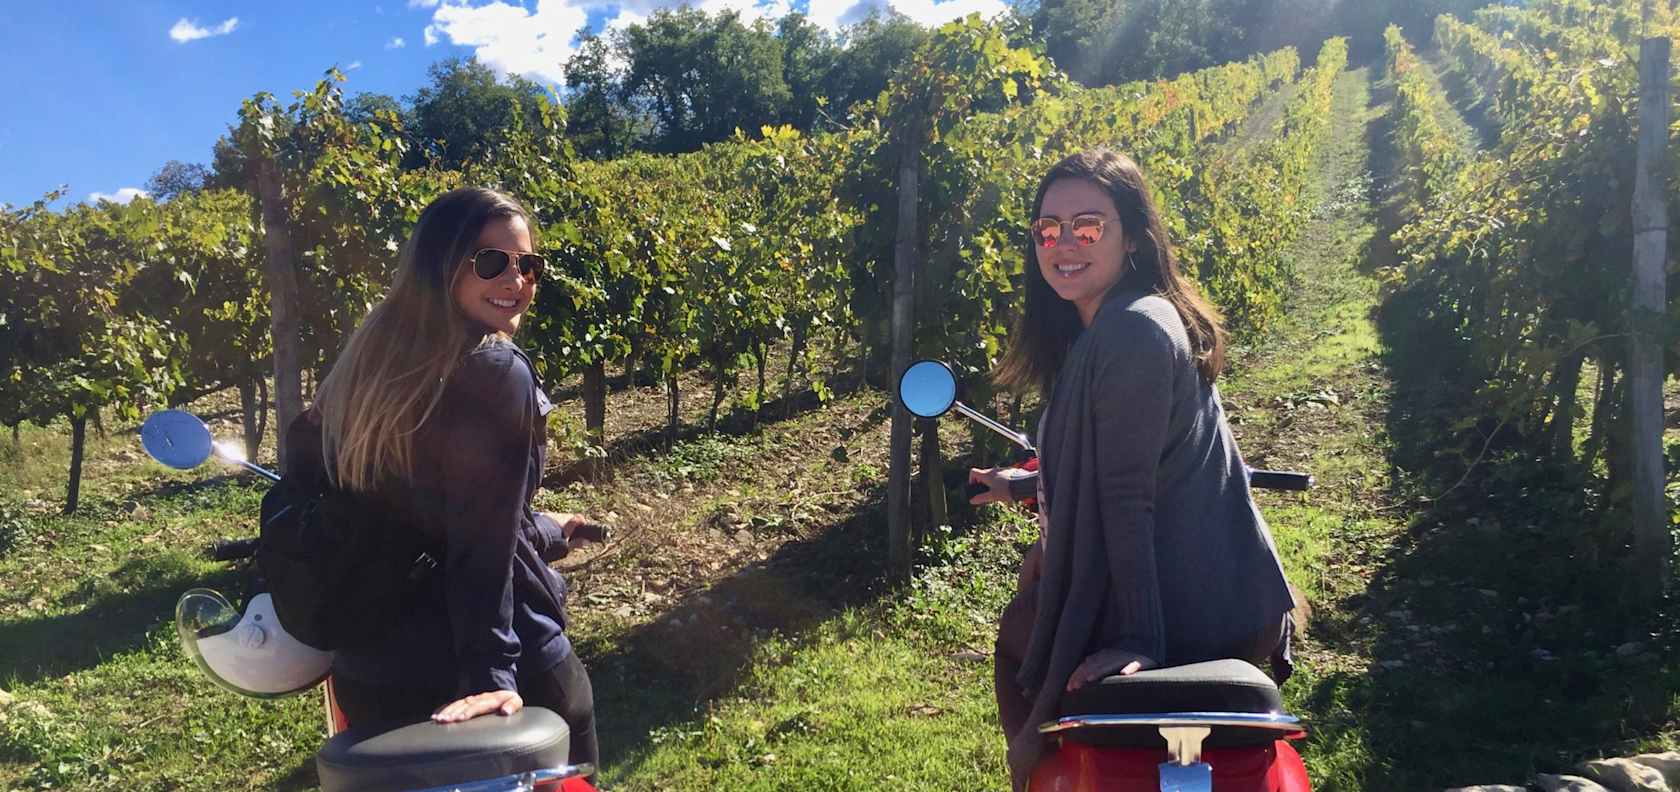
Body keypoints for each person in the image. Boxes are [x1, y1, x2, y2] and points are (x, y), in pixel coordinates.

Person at [969, 149, 1296, 789]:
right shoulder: (1119, 323)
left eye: (1088, 226)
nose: (1064, 243)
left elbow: (1126, 496)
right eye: (1048, 229)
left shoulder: (1134, 332)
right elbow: (1120, 460)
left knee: (1019, 641)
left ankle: (1040, 772)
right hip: (1206, 581)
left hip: (1189, 604)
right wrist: (1029, 485)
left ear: (1134, 238)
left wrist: (1141, 641)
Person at [286, 187, 599, 771]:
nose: (516, 279)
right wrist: (491, 675)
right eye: (492, 261)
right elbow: (479, 546)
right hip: (491, 668)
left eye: (528, 264)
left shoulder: (362, 369)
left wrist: (544, 530)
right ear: (442, 264)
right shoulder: (495, 369)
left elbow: (418, 515)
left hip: (374, 673)